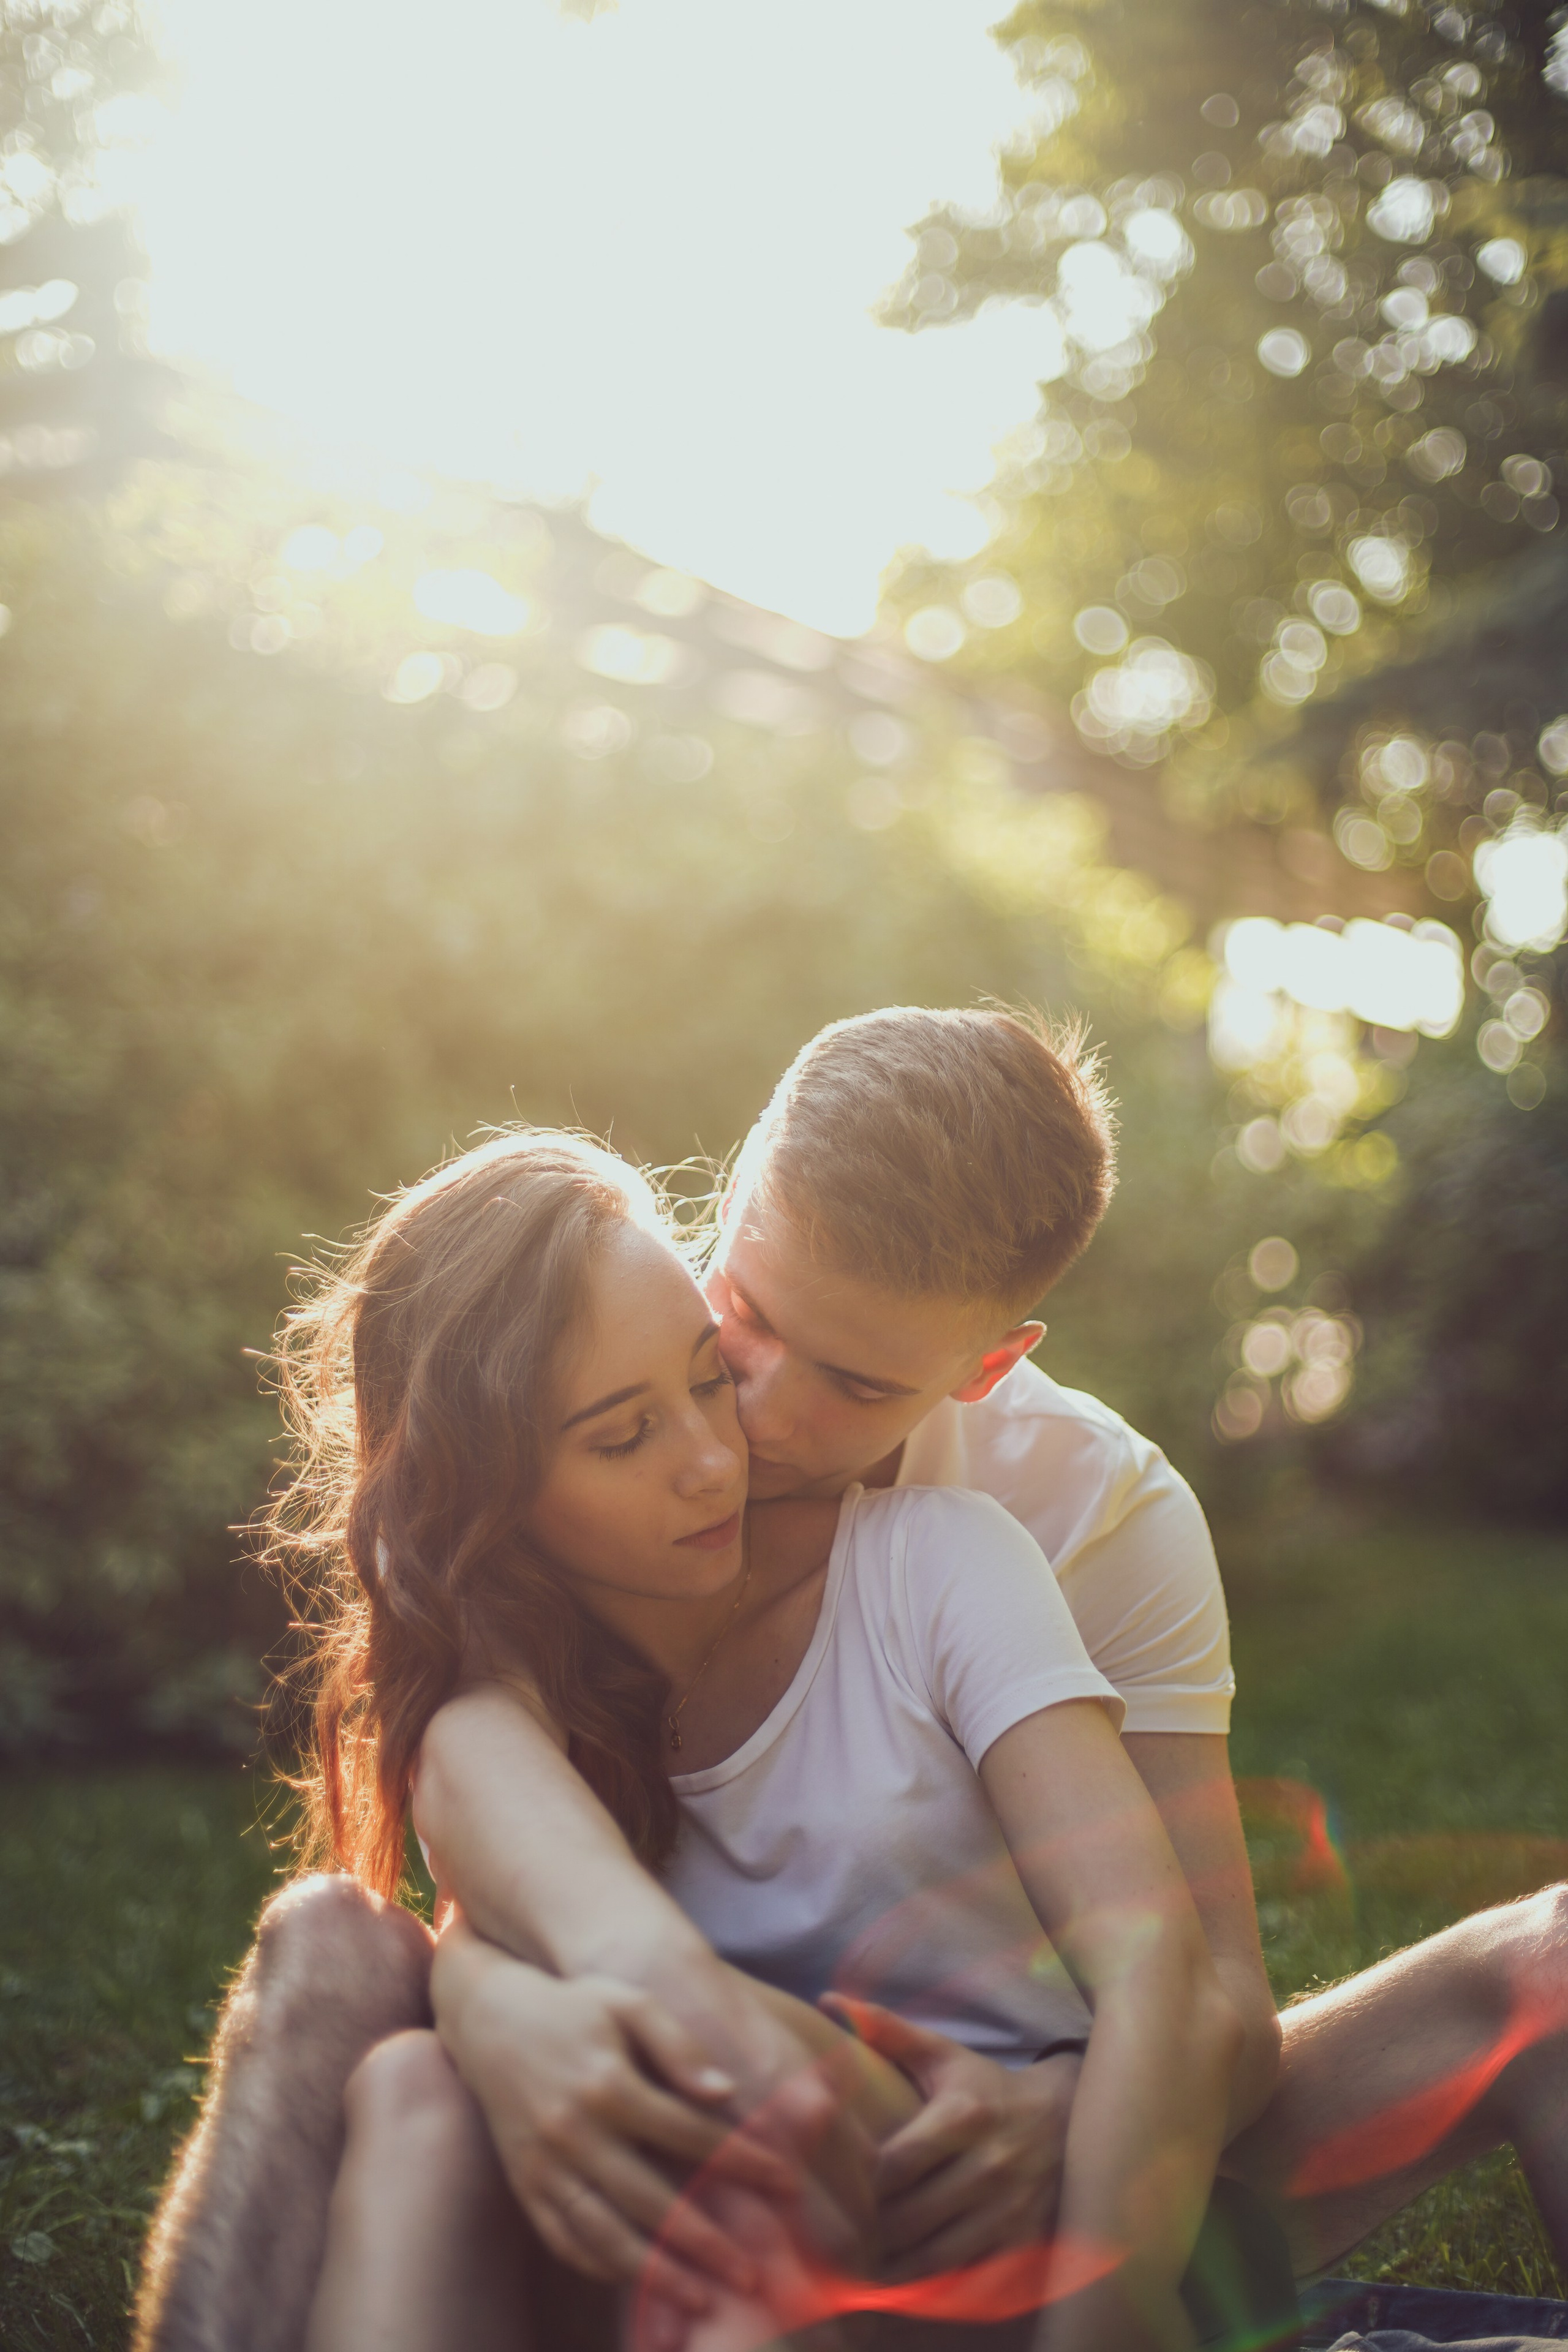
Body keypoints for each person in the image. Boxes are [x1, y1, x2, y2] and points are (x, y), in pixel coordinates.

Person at [133, 1009, 1568, 2352]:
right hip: (701, 2103)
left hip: (1008, 2136)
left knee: (1550, 1963)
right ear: (738, 1189)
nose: (751, 1415)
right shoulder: (597, 1408)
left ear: (987, 1361)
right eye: (742, 1312)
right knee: (337, 1960)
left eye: (856, 1383)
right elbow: (517, 1870)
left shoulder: (1081, 1519)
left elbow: (1204, 2003)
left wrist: (1057, 2115)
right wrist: (500, 2022)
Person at [156, 1119, 1250, 2351]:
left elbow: (1185, 1979)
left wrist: (1071, 2155)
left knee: (655, 2112)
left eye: (703, 1377)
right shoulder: (522, 1661)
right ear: (489, 1494)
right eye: (625, 1435)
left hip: (893, 2177)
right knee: (400, 2063)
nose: (721, 1456)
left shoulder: (962, 1547)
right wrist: (492, 2012)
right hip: (692, 2168)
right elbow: (521, 1907)